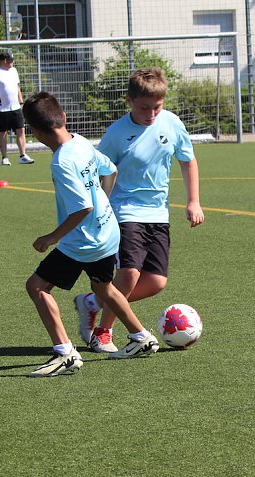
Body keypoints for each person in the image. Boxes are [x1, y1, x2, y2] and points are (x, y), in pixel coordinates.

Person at [22, 91, 159, 377]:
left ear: (33, 132)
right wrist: (103, 202)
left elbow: (81, 208)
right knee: (103, 287)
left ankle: (64, 354)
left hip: (84, 242)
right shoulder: (81, 143)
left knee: (36, 286)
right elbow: (111, 171)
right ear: (63, 118)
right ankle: (142, 338)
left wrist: (51, 237)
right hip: (108, 232)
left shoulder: (61, 162)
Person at [73, 67, 205, 353]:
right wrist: (96, 212)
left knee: (156, 282)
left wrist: (193, 201)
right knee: (130, 273)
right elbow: (98, 174)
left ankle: (93, 302)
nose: (152, 114)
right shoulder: (117, 133)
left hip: (158, 214)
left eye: (158, 107)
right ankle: (103, 333)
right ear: (129, 101)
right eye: (145, 108)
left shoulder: (171, 123)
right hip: (124, 211)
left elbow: (187, 160)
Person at [0, 51, 34, 165]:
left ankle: (22, 155)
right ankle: (4, 157)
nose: (13, 63)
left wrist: (21, 102)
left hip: (16, 108)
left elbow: (17, 87)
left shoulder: (14, 71)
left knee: (21, 130)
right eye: (11, 61)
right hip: (2, 109)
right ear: (4, 61)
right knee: (3, 132)